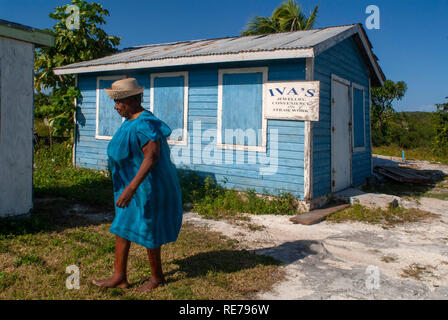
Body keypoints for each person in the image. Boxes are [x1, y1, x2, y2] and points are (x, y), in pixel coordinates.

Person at [92, 78, 183, 292]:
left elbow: (151, 157)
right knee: (122, 226)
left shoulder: (145, 123)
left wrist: (131, 189)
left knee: (149, 227)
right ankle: (119, 277)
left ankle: (157, 278)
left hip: (146, 187)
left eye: (118, 102)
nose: (115, 106)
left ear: (133, 99)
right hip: (130, 186)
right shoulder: (130, 121)